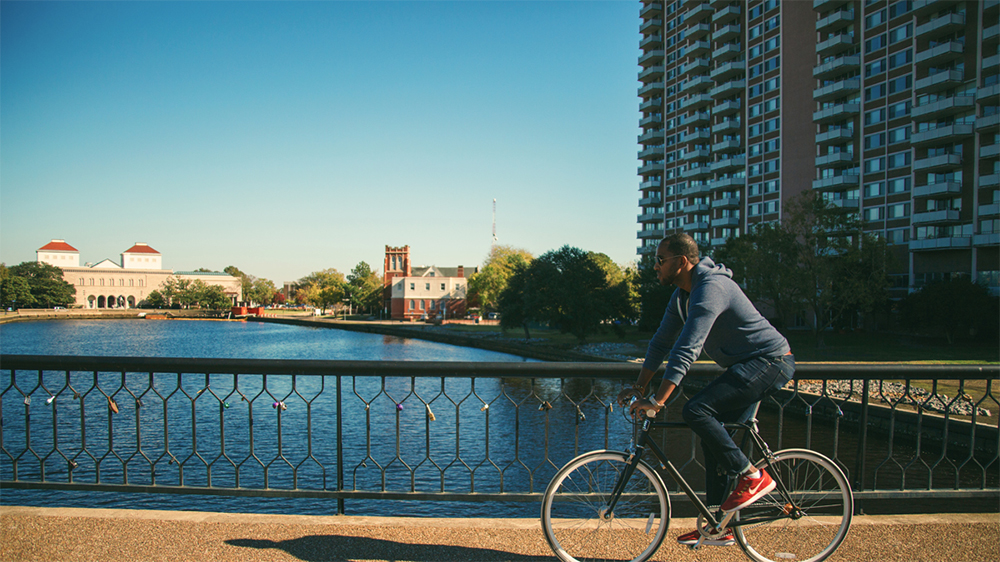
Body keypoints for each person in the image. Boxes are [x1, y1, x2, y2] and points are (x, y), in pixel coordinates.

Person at [617, 233, 794, 548]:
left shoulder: (710, 288)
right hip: (745, 366)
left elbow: (688, 348)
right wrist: (639, 385)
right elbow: (661, 342)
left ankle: (752, 476)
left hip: (770, 362)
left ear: (681, 262)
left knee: (696, 409)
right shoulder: (682, 296)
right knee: (714, 436)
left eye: (660, 260)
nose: (655, 266)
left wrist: (658, 400)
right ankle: (718, 524)